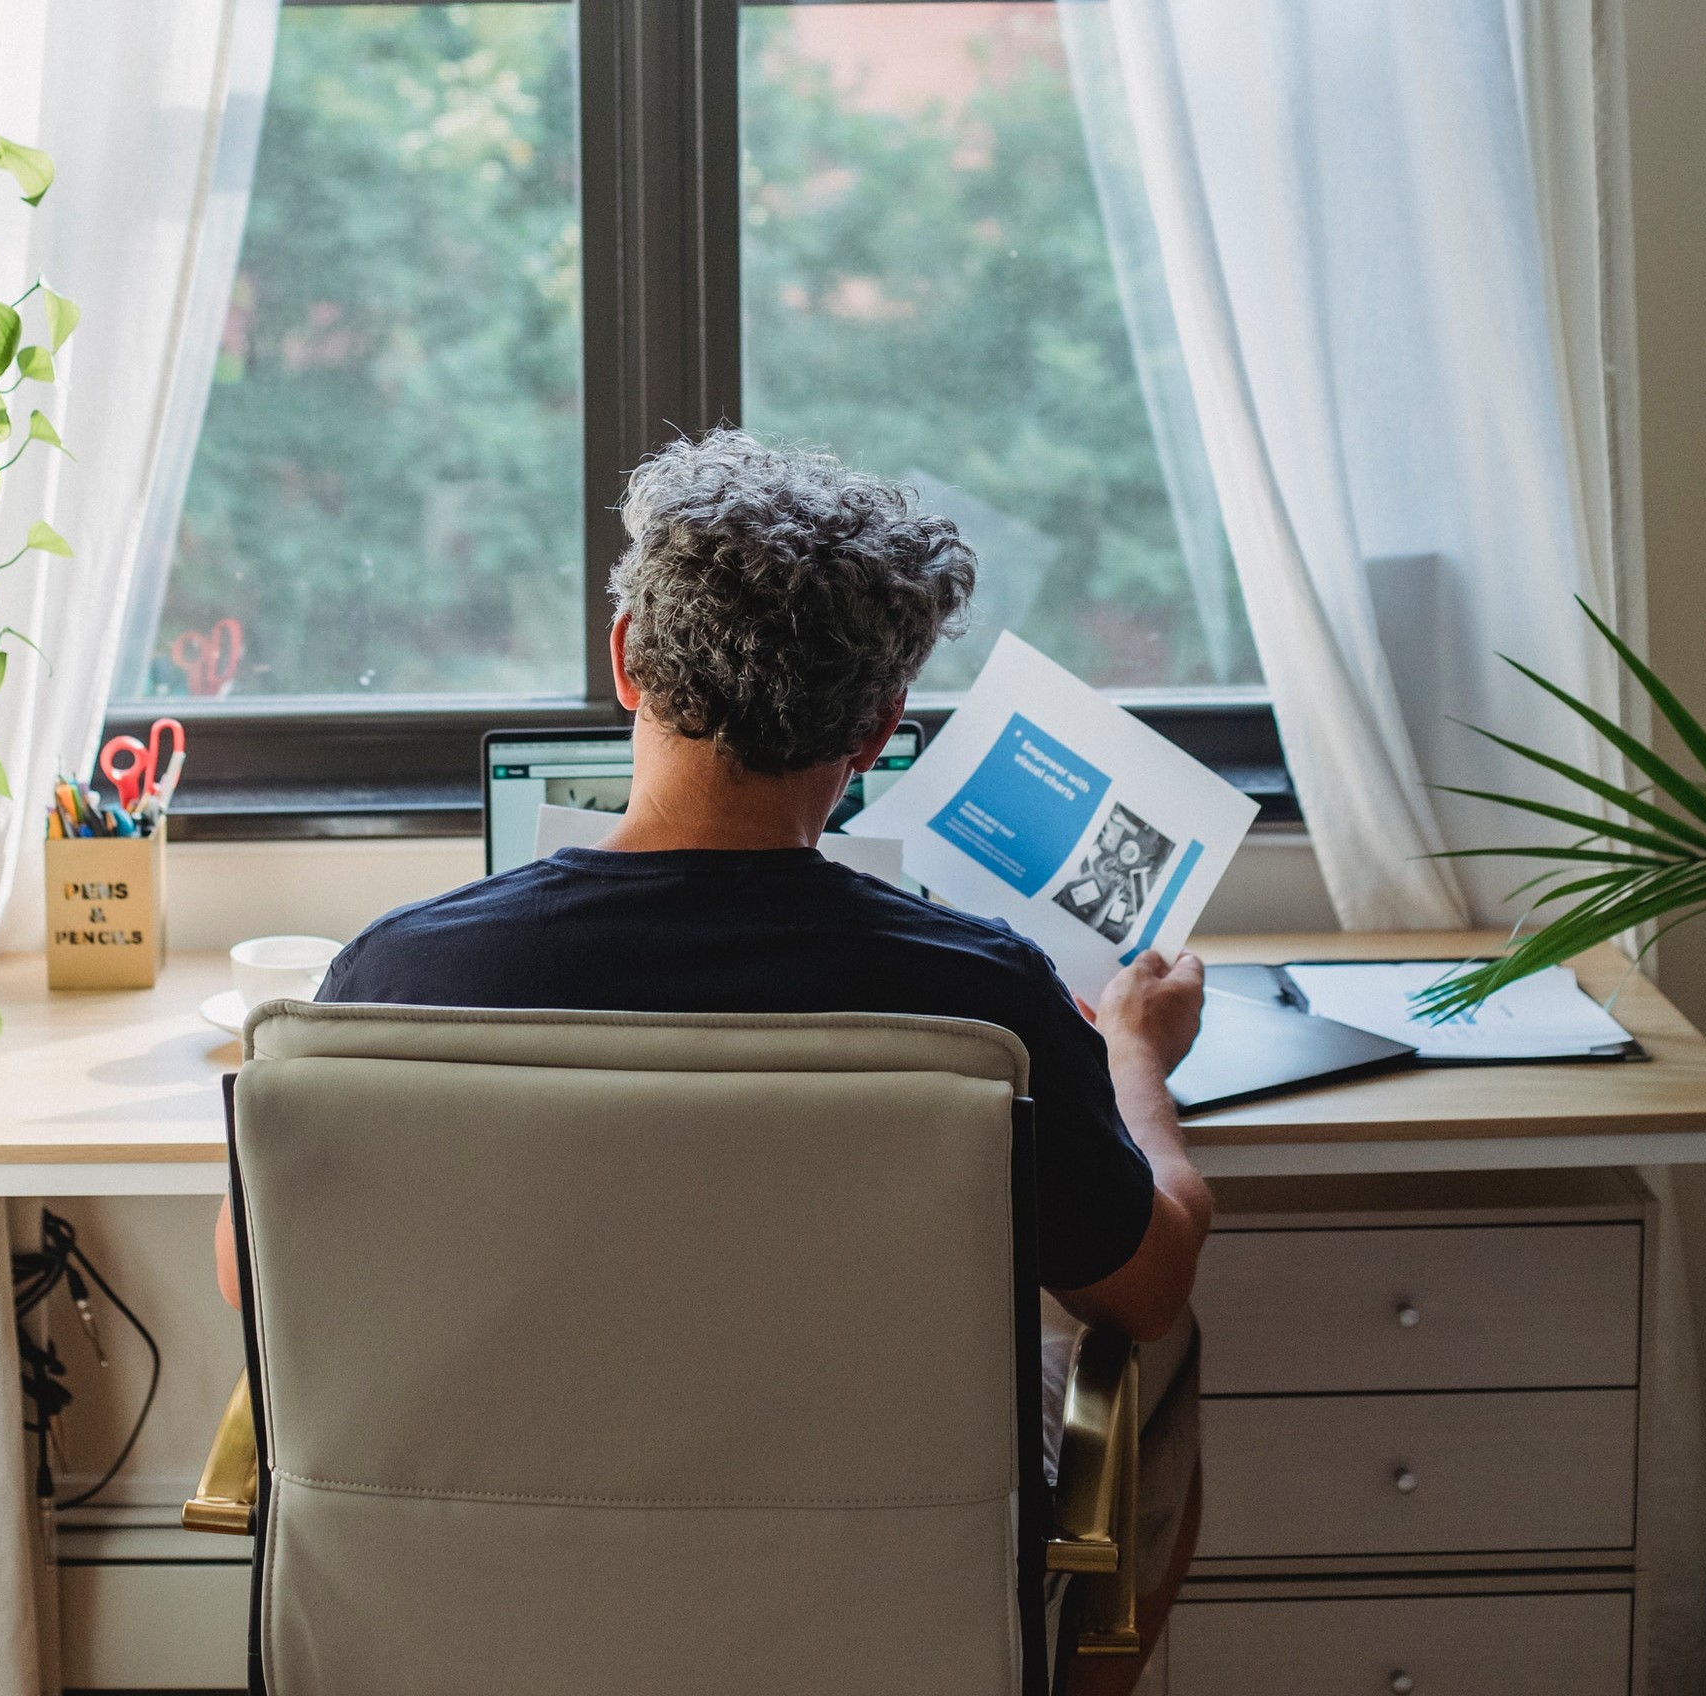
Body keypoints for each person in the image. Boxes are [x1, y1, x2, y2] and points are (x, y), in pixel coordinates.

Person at [215, 431, 1210, 1693]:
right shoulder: (980, 1005)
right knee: (1161, 1353)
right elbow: (1150, 1286)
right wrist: (1133, 1059)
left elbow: (257, 1277)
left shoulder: (401, 978)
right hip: (854, 1624)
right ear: (878, 725)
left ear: (627, 663)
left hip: (494, 1615)